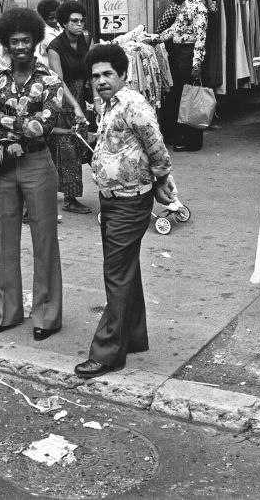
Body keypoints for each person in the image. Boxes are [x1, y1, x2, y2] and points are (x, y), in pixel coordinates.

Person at [74, 44, 174, 379]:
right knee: (124, 269)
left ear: (122, 75)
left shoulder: (133, 103)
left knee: (115, 273)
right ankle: (131, 336)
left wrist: (162, 181)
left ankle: (107, 353)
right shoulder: (107, 105)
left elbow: (156, 144)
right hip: (112, 197)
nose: (100, 81)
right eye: (95, 76)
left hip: (131, 199)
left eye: (107, 75)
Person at [0, 7, 64, 342]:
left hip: (37, 165)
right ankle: (5, 311)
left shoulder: (50, 82)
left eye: (26, 40)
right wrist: (4, 124)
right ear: (5, 44)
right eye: (14, 41)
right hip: (5, 167)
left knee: (44, 241)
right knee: (6, 238)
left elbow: (41, 127)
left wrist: (2, 121)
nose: (20, 47)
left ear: (35, 41)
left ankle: (47, 314)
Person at [46, 0, 93, 214]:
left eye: (81, 20)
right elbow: (58, 81)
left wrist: (97, 102)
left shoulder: (87, 40)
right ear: (64, 23)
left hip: (80, 96)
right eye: (74, 21)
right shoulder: (55, 47)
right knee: (67, 148)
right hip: (63, 100)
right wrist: (75, 106)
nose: (79, 24)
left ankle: (59, 189)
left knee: (81, 146)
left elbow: (92, 72)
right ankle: (70, 198)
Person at [156, 0, 209, 152]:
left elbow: (201, 38)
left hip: (190, 54)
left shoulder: (198, 8)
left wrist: (196, 64)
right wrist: (156, 38)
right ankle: (186, 137)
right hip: (181, 54)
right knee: (182, 96)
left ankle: (193, 141)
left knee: (191, 97)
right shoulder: (184, 7)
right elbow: (175, 29)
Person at [35, 0, 62, 67]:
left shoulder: (62, 26)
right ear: (44, 18)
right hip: (49, 67)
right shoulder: (42, 33)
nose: (55, 20)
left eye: (56, 17)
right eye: (51, 18)